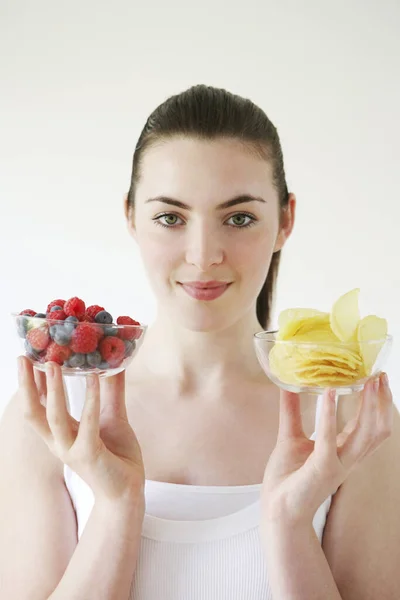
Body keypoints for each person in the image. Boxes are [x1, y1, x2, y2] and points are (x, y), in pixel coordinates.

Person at [1, 84, 399, 600]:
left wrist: (288, 526)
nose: (204, 253)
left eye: (239, 218)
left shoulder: (351, 421)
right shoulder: (53, 414)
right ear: (131, 217)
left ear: (286, 220)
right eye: (171, 217)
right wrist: (117, 512)